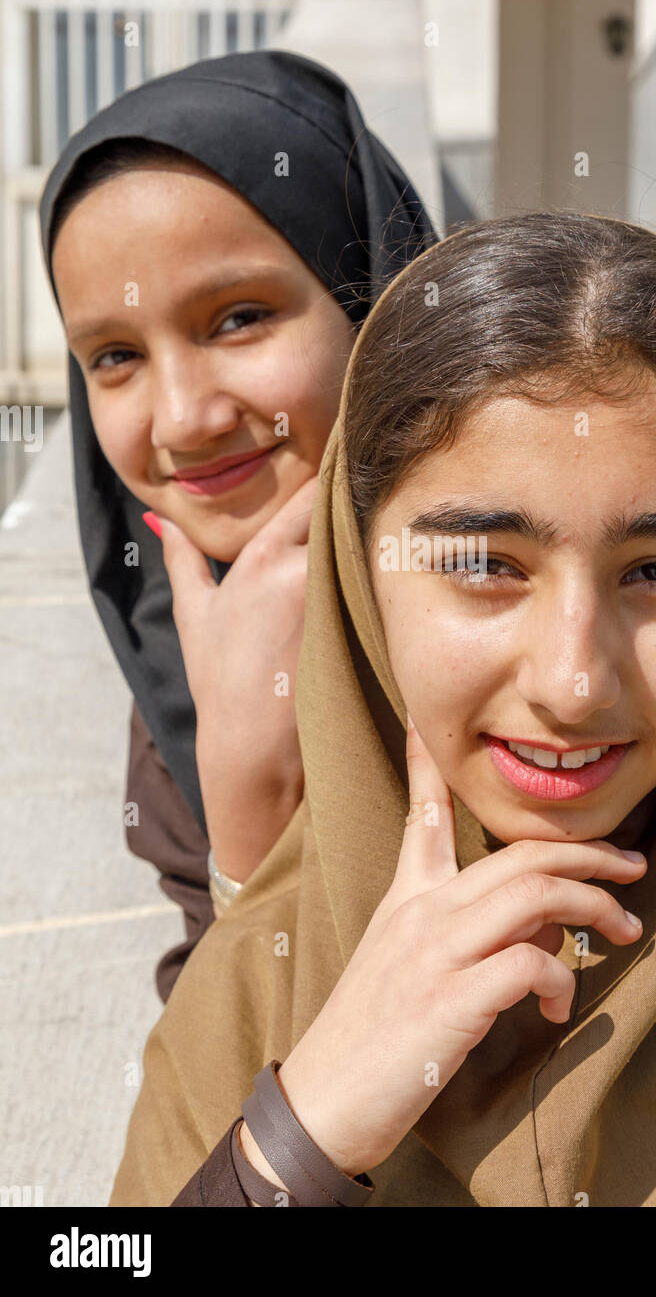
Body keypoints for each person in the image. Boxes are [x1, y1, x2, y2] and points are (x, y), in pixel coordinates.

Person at [108, 213, 656, 1207]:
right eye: (480, 565)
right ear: (360, 576)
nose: (572, 681)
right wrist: (301, 1137)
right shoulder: (260, 986)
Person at [38, 50, 438, 1000]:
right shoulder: (187, 682)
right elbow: (222, 1110)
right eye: (115, 356)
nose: (183, 419)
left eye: (238, 318)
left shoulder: (652, 586)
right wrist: (245, 808)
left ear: (375, 305)